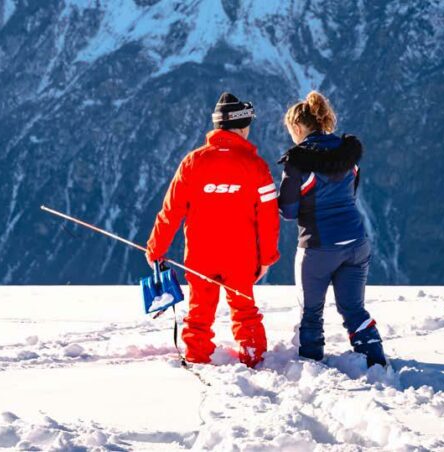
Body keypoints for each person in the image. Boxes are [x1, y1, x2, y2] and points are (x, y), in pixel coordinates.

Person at [145, 92, 280, 368]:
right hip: (240, 256)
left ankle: (196, 359)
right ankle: (255, 360)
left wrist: (156, 249)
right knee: (245, 311)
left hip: (200, 255)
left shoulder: (193, 162)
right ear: (242, 126)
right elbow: (268, 218)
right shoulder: (256, 166)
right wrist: (266, 257)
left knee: (199, 314)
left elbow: (171, 211)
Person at [277, 91, 388, 368]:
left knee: (311, 313)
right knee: (353, 308)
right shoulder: (348, 155)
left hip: (318, 247)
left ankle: (311, 365)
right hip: (356, 241)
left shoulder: (297, 161)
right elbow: (351, 194)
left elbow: (288, 211)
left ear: (298, 127)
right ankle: (375, 361)